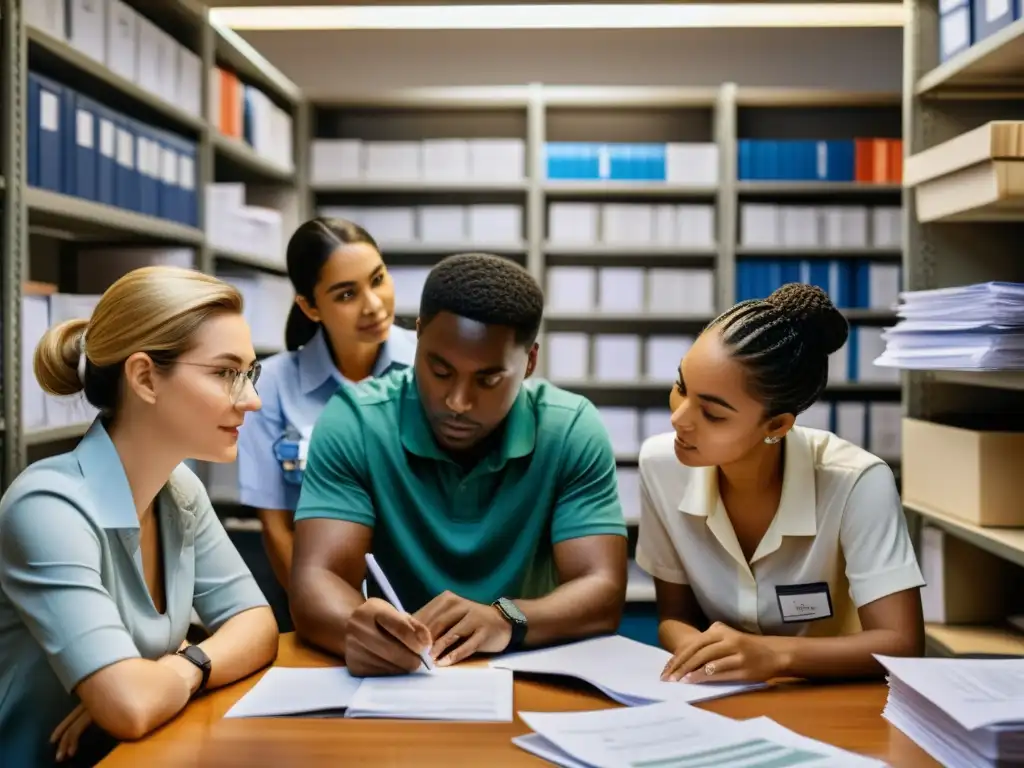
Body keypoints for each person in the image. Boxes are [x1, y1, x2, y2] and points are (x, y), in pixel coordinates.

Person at [290, 252, 629, 676]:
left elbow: (603, 589)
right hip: (398, 675)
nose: (458, 402)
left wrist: (506, 619)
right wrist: (354, 630)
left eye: (488, 379)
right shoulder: (355, 421)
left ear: (529, 363)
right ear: (418, 336)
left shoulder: (571, 428)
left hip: (527, 669)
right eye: (440, 369)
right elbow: (315, 580)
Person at [0, 266, 278, 767]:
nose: (252, 400)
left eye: (249, 373)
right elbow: (129, 705)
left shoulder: (179, 489)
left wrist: (180, 668)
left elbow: (257, 624)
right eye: (226, 373)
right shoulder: (46, 507)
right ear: (145, 377)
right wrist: (139, 685)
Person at [636, 283, 925, 685]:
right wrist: (705, 655)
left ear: (777, 425)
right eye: (681, 387)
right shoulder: (661, 465)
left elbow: (902, 643)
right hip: (717, 694)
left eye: (713, 414)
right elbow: (674, 616)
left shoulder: (858, 482)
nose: (679, 419)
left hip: (832, 702)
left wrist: (775, 655)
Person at [237, 217, 415, 607]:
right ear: (310, 306)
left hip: (426, 596)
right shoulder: (273, 386)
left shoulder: (433, 366)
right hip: (323, 605)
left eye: (378, 279)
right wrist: (326, 617)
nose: (372, 305)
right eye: (346, 295)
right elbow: (277, 528)